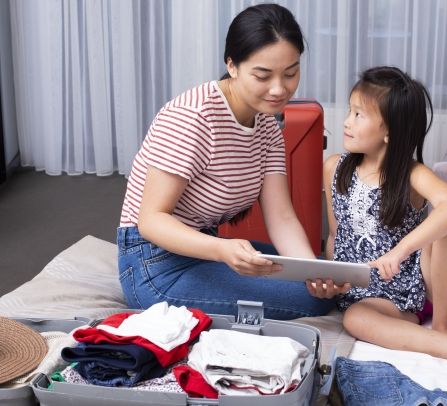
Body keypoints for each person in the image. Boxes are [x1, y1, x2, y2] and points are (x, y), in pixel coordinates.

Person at [117, 3, 335, 320]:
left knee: (318, 276)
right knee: (313, 300)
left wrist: (312, 271)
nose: (279, 89)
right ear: (231, 65)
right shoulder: (193, 116)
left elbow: (282, 218)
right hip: (154, 264)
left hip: (203, 249)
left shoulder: (267, 126)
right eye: (263, 75)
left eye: (291, 73)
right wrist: (222, 250)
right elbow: (150, 220)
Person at [307, 66, 447, 376]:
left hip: (411, 286)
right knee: (354, 319)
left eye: (359, 115)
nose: (346, 121)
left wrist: (399, 252)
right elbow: (336, 237)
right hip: (364, 293)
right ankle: (445, 342)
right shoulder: (335, 168)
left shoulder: (411, 174)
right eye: (350, 111)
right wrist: (334, 279)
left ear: (389, 131)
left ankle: (445, 333)